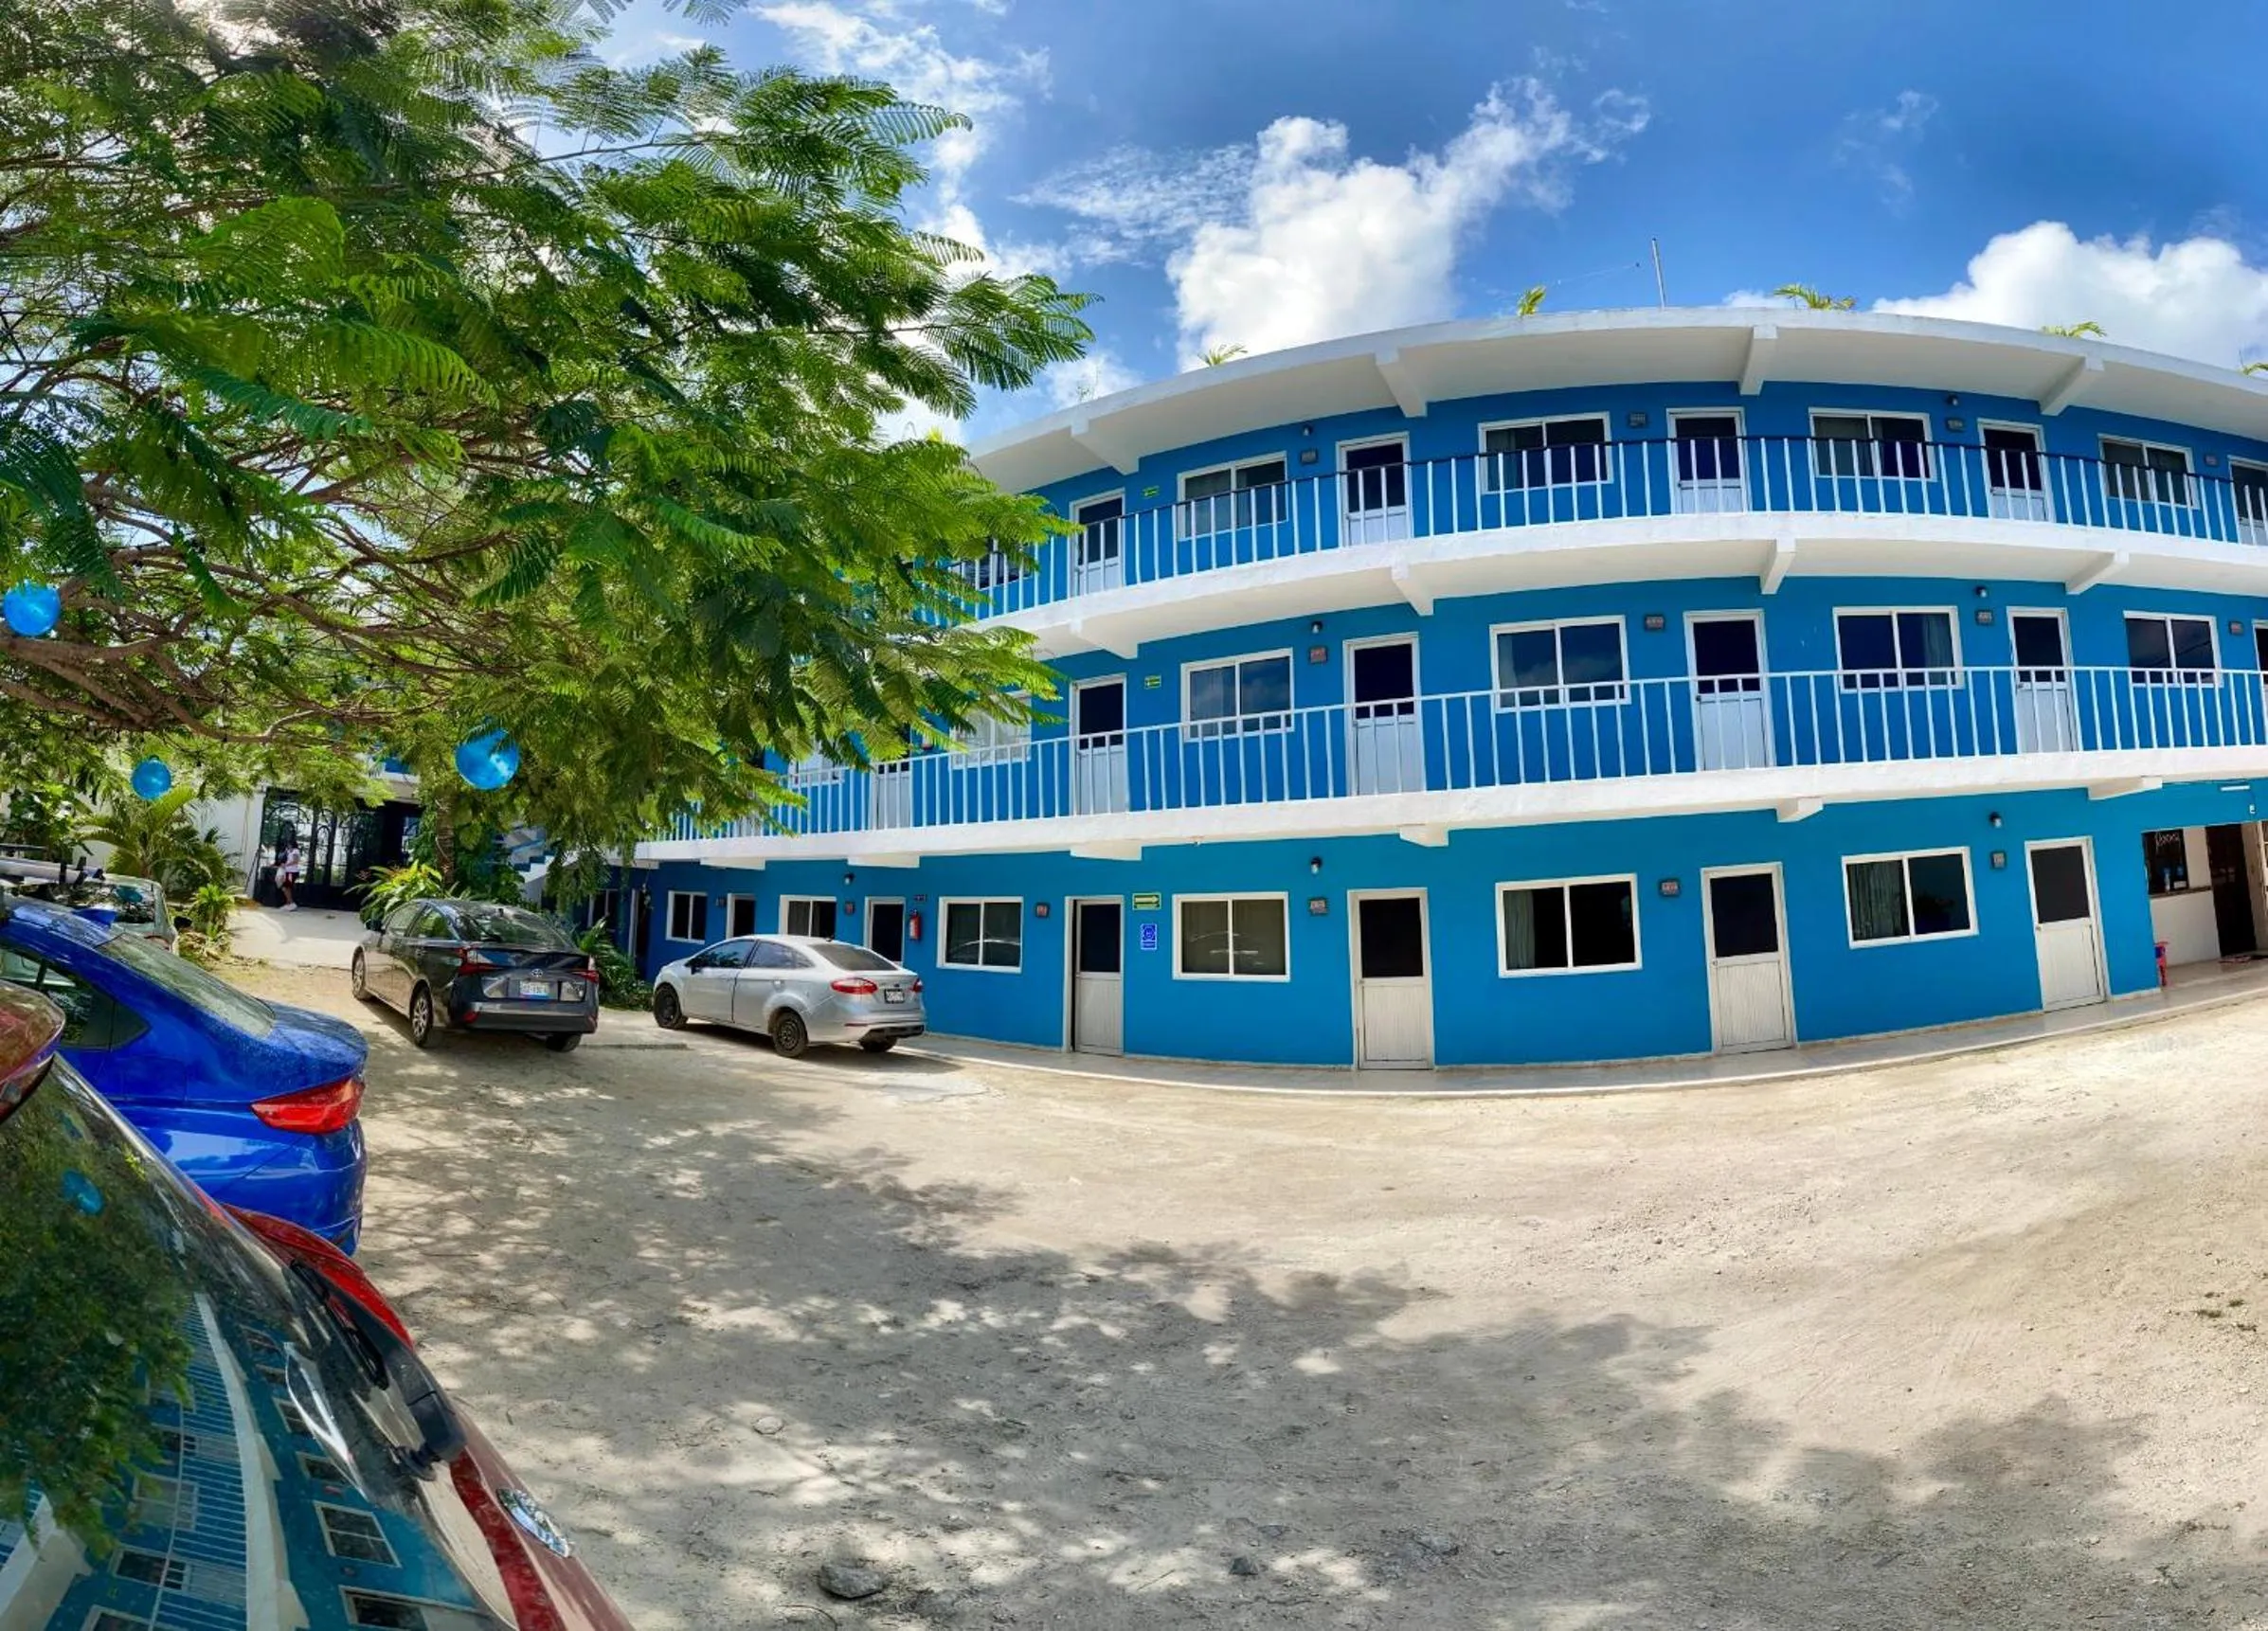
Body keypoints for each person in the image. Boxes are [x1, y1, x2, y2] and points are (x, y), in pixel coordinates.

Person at [276, 836, 302, 912]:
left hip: (292, 872)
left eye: (289, 843)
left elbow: (295, 861)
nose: (288, 845)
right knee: (287, 887)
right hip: (288, 872)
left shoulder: (295, 851)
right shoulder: (289, 851)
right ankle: (288, 904)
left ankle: (291, 903)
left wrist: (286, 865)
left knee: (286, 887)